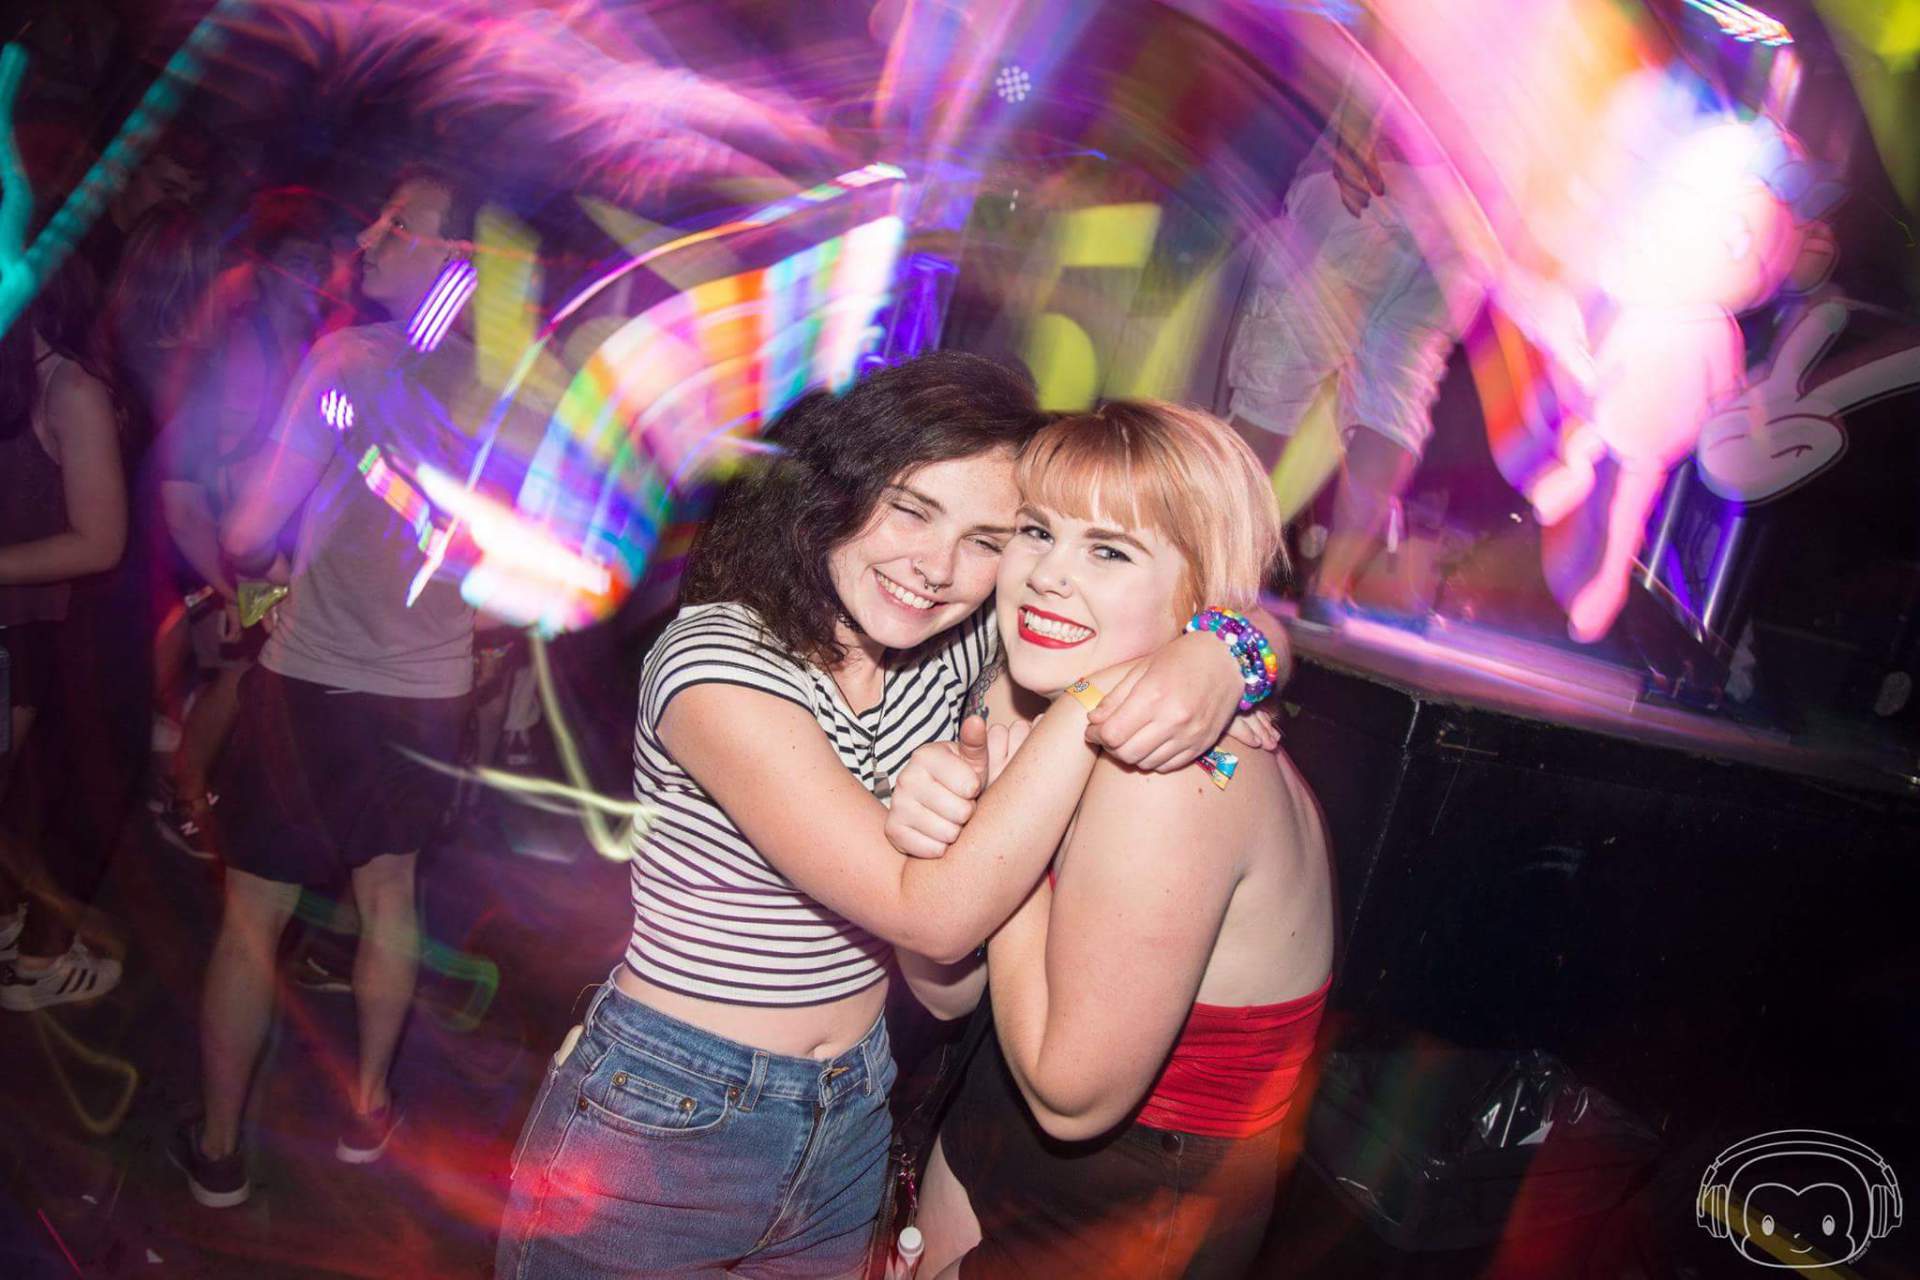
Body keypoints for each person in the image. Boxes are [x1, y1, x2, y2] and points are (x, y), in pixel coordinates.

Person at [495, 352, 1284, 1279]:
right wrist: (1103, 695)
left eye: (989, 539)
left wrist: (1221, 654)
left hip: (856, 1110)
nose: (936, 568)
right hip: (667, 1109)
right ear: (836, 492)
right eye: (911, 509)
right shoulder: (715, 660)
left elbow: (1226, 604)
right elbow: (930, 914)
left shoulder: (954, 643)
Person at [884, 400, 1334, 1278]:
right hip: (998, 1125)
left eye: (1109, 551)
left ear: (1198, 596)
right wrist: (938, 845)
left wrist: (1000, 839)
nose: (1048, 576)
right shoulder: (1033, 697)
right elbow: (948, 995)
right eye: (1037, 531)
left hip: (1130, 1212)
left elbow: (1072, 1098)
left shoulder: (1167, 774)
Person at [167, 170, 486, 1208]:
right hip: (428, 691)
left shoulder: (349, 361)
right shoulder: (513, 390)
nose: (373, 233)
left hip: (312, 686)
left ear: (457, 259)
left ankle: (219, 1149)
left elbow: (253, 525)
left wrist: (259, 556)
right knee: (389, 890)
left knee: (254, 915)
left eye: (402, 223)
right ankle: (367, 1107)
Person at [0, 260, 130, 1010]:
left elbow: (100, 541)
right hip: (22, 629)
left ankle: (28, 954)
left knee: (37, 791)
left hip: (31, 632)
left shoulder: (69, 388)